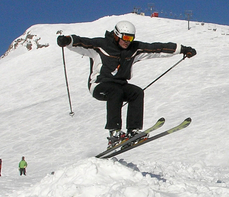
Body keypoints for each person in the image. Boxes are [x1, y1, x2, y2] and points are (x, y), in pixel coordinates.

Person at [57, 20, 196, 147]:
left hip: (120, 85)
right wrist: (67, 40)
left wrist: (182, 49)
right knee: (115, 91)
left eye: (131, 38)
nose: (127, 41)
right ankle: (114, 133)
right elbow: (81, 42)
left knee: (136, 92)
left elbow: (157, 48)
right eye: (125, 37)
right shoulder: (101, 46)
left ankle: (133, 131)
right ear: (117, 35)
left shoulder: (133, 50)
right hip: (99, 85)